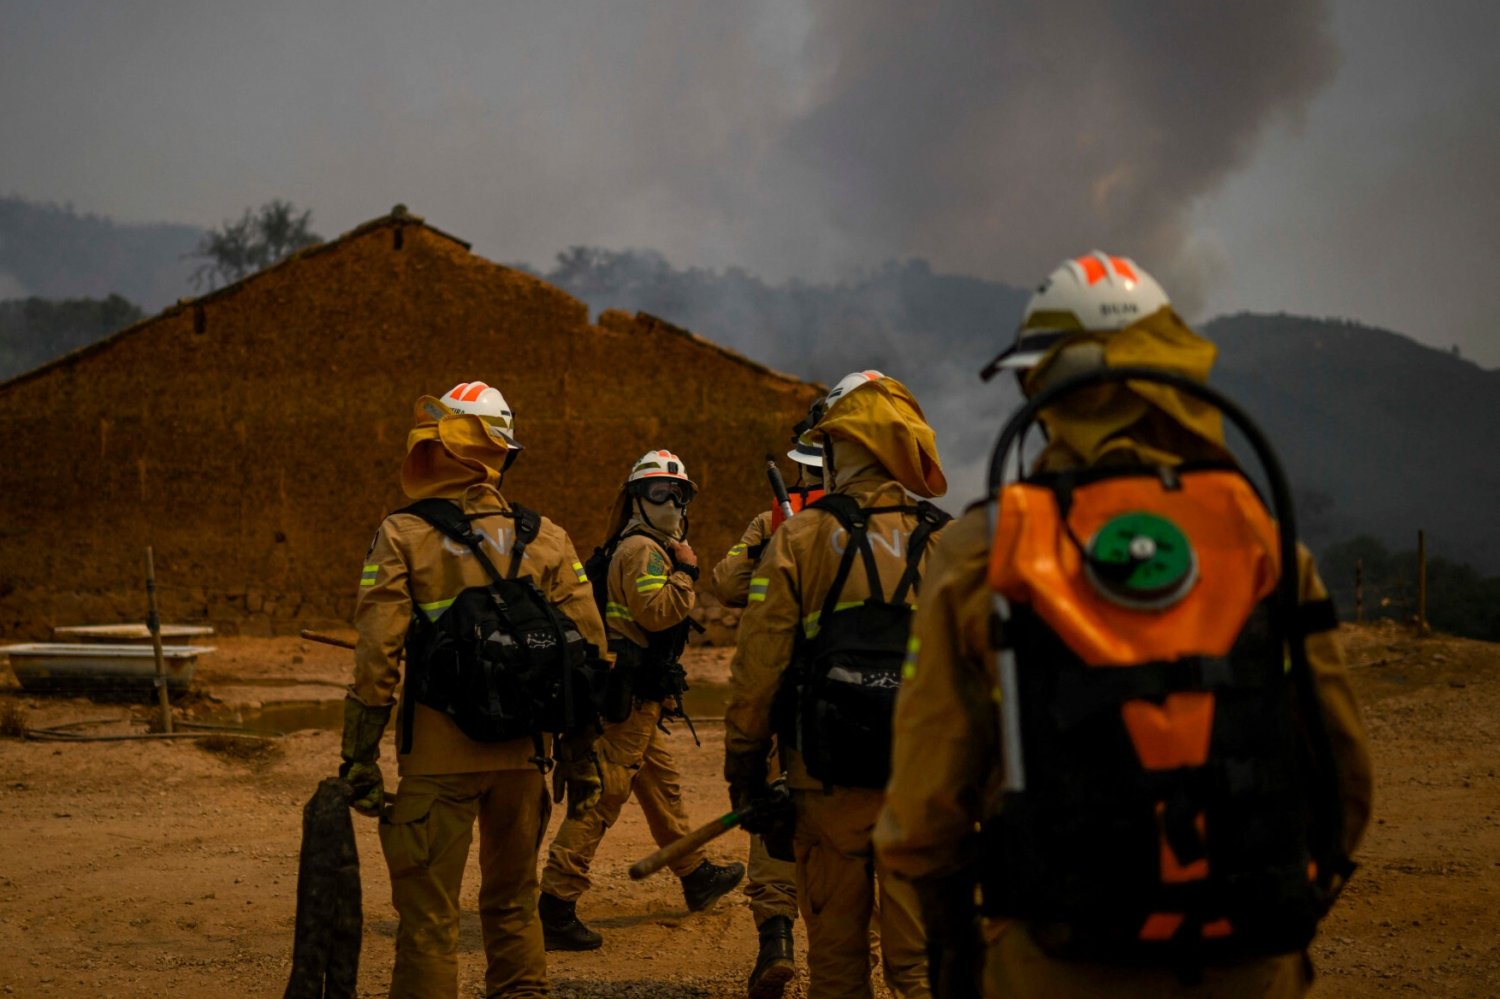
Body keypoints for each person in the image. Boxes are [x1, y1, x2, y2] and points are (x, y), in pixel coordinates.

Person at [874, 252, 1375, 998]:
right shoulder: (1261, 537)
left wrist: (956, 934)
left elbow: (924, 806)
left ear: (1050, 384)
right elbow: (1345, 775)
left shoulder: (990, 545)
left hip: (1058, 958)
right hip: (1251, 958)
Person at [341, 381, 609, 999]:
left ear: (434, 450)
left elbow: (377, 655)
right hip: (524, 761)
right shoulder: (548, 538)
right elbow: (590, 653)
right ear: (503, 456)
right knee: (514, 906)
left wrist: (358, 756)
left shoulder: (402, 534)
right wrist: (579, 754)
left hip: (437, 765)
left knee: (431, 920)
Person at [725, 371, 949, 999]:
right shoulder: (951, 542)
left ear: (841, 447)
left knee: (838, 964)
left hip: (825, 781)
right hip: (922, 787)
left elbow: (757, 667)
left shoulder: (799, 538)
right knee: (922, 966)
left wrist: (744, 768)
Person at [539, 449, 745, 950]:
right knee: (605, 794)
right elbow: (656, 614)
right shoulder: (643, 552)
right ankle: (556, 903)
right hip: (626, 699)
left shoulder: (641, 545)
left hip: (641, 697)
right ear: (636, 497)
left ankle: (695, 875)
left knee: (662, 787)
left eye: (679, 493)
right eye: (659, 492)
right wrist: (688, 573)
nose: (671, 501)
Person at [709, 432, 825, 999]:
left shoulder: (771, 521)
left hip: (784, 689)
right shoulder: (868, 523)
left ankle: (776, 943)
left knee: (774, 819)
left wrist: (769, 545)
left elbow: (726, 584)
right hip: (859, 701)